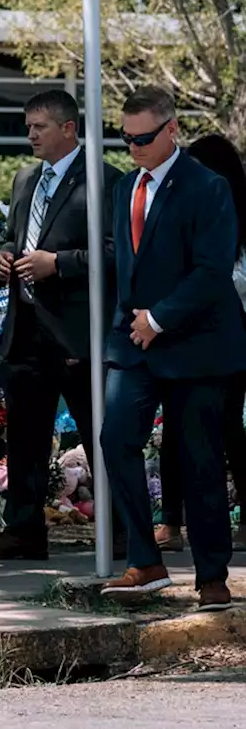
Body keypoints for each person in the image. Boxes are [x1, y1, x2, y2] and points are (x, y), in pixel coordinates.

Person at [100, 87, 244, 611]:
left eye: (142, 138)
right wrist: (133, 324)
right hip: (134, 343)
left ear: (171, 130)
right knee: (115, 437)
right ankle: (147, 560)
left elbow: (212, 271)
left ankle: (212, 576)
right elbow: (126, 264)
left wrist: (158, 319)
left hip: (197, 345)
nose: (133, 147)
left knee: (198, 458)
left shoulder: (209, 188)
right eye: (126, 137)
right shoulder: (123, 189)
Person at [0, 91, 124, 562]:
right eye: (28, 126)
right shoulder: (24, 180)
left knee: (100, 435)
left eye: (40, 126)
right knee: (26, 437)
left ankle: (119, 530)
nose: (31, 134)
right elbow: (15, 237)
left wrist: (59, 263)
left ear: (69, 129)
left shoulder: (106, 180)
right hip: (26, 328)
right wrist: (2, 255)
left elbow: (117, 252)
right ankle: (23, 531)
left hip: (77, 332)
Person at [154, 132, 246, 553]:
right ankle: (171, 520)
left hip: (231, 338)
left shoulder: (234, 217)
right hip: (185, 334)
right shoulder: (186, 211)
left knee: (229, 428)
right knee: (174, 427)